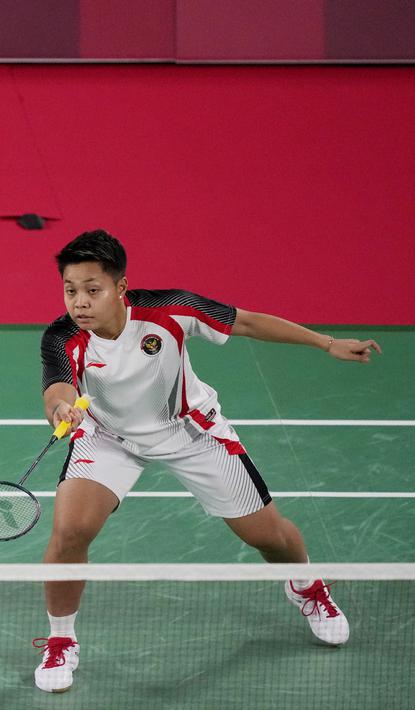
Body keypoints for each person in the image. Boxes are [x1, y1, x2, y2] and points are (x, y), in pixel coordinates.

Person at [32, 230, 380, 694]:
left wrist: (325, 342)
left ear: (120, 287)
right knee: (70, 531)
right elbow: (58, 387)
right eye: (70, 290)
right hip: (108, 437)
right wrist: (59, 407)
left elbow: (249, 323)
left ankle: (306, 585)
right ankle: (61, 641)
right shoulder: (62, 335)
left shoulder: (170, 309)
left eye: (92, 289)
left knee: (269, 536)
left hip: (190, 431)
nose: (80, 301)